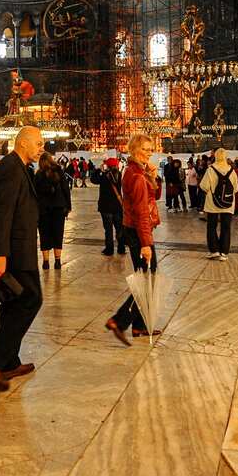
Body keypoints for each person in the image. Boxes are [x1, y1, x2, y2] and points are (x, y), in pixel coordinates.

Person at [0, 126, 45, 391]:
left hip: (20, 247)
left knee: (13, 301)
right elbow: (1, 214)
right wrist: (0, 254)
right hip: (15, 251)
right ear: (23, 143)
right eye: (38, 143)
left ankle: (8, 362)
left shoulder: (20, 167)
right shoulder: (10, 168)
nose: (42, 148)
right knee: (31, 299)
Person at [106, 133, 162, 345]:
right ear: (135, 150)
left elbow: (153, 197)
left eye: (150, 149)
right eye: (145, 149)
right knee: (147, 279)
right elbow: (141, 212)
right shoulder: (137, 175)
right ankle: (119, 321)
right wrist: (146, 244)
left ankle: (139, 326)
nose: (149, 153)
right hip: (139, 231)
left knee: (144, 277)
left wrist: (153, 176)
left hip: (134, 229)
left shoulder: (135, 170)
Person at [200, 148, 238, 261]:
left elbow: (204, 186)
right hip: (228, 204)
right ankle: (224, 252)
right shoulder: (231, 170)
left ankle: (214, 250)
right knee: (226, 227)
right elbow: (236, 189)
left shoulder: (210, 169)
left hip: (212, 203)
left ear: (216, 157)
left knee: (211, 226)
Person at [34, 152, 72, 270]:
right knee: (58, 234)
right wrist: (68, 206)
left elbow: (35, 193)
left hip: (43, 209)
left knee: (44, 235)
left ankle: (45, 262)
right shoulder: (59, 172)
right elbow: (66, 189)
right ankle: (57, 261)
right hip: (58, 207)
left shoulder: (38, 174)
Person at [90, 157, 125, 256]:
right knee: (119, 228)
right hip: (117, 207)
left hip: (106, 207)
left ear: (108, 166)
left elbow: (93, 180)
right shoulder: (120, 175)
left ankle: (109, 249)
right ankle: (121, 248)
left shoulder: (104, 176)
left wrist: (98, 170)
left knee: (108, 230)